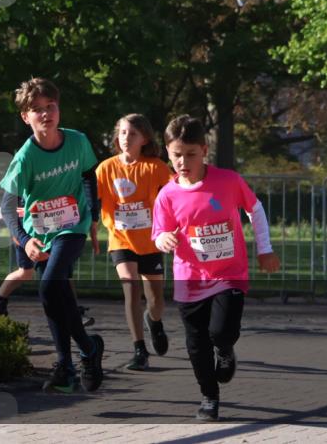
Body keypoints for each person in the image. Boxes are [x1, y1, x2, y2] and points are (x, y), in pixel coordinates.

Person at [152, 115, 280, 421]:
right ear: (168, 153)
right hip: (190, 277)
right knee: (196, 345)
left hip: (228, 273)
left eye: (191, 154)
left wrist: (265, 249)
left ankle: (225, 350)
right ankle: (209, 397)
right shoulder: (167, 194)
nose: (183, 162)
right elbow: (159, 233)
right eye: (177, 155)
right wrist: (163, 239)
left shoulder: (228, 181)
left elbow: (255, 209)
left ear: (204, 151)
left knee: (222, 331)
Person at [0, 77, 104, 394]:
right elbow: (7, 206)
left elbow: (88, 175)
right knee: (59, 295)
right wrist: (24, 239)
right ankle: (82, 355)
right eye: (37, 109)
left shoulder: (77, 141)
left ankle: (70, 362)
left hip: (73, 226)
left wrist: (94, 216)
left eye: (51, 106)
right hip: (41, 234)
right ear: (25, 117)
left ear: (59, 109)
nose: (46, 114)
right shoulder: (25, 158)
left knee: (49, 286)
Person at [97, 114, 172, 370]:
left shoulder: (156, 168)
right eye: (122, 132)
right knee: (131, 287)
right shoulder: (105, 168)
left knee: (156, 301)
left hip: (151, 242)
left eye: (132, 133)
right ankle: (140, 350)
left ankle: (155, 321)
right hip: (121, 239)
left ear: (145, 139)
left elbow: (175, 195)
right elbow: (90, 197)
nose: (126, 138)